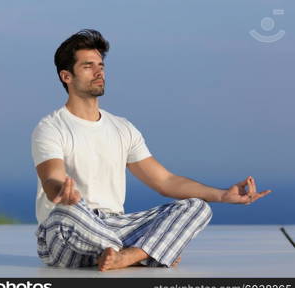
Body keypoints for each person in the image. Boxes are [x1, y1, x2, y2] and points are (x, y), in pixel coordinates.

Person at [32, 29, 272, 271]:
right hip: (68, 234)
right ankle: (147, 253)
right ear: (66, 76)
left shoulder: (122, 128)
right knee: (65, 214)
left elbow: (165, 181)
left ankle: (127, 256)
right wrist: (62, 193)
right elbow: (51, 177)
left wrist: (223, 195)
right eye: (88, 66)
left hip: (115, 226)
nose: (99, 72)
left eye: (101, 65)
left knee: (196, 207)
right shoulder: (51, 127)